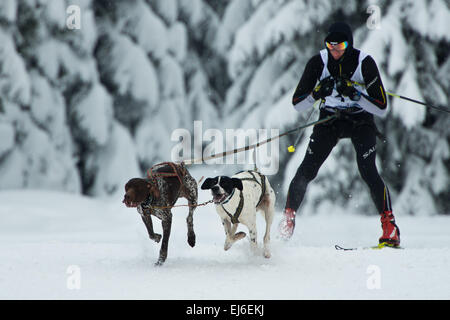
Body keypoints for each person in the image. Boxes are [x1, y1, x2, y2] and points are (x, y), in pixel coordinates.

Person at [279, 22, 400, 246]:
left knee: (368, 171)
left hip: (360, 120)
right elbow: (297, 104)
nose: (334, 50)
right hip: (330, 120)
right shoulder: (319, 61)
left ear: (350, 44)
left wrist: (355, 95)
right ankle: (288, 219)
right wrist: (316, 93)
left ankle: (389, 226)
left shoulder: (365, 62)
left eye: (340, 45)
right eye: (330, 45)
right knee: (307, 169)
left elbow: (382, 108)